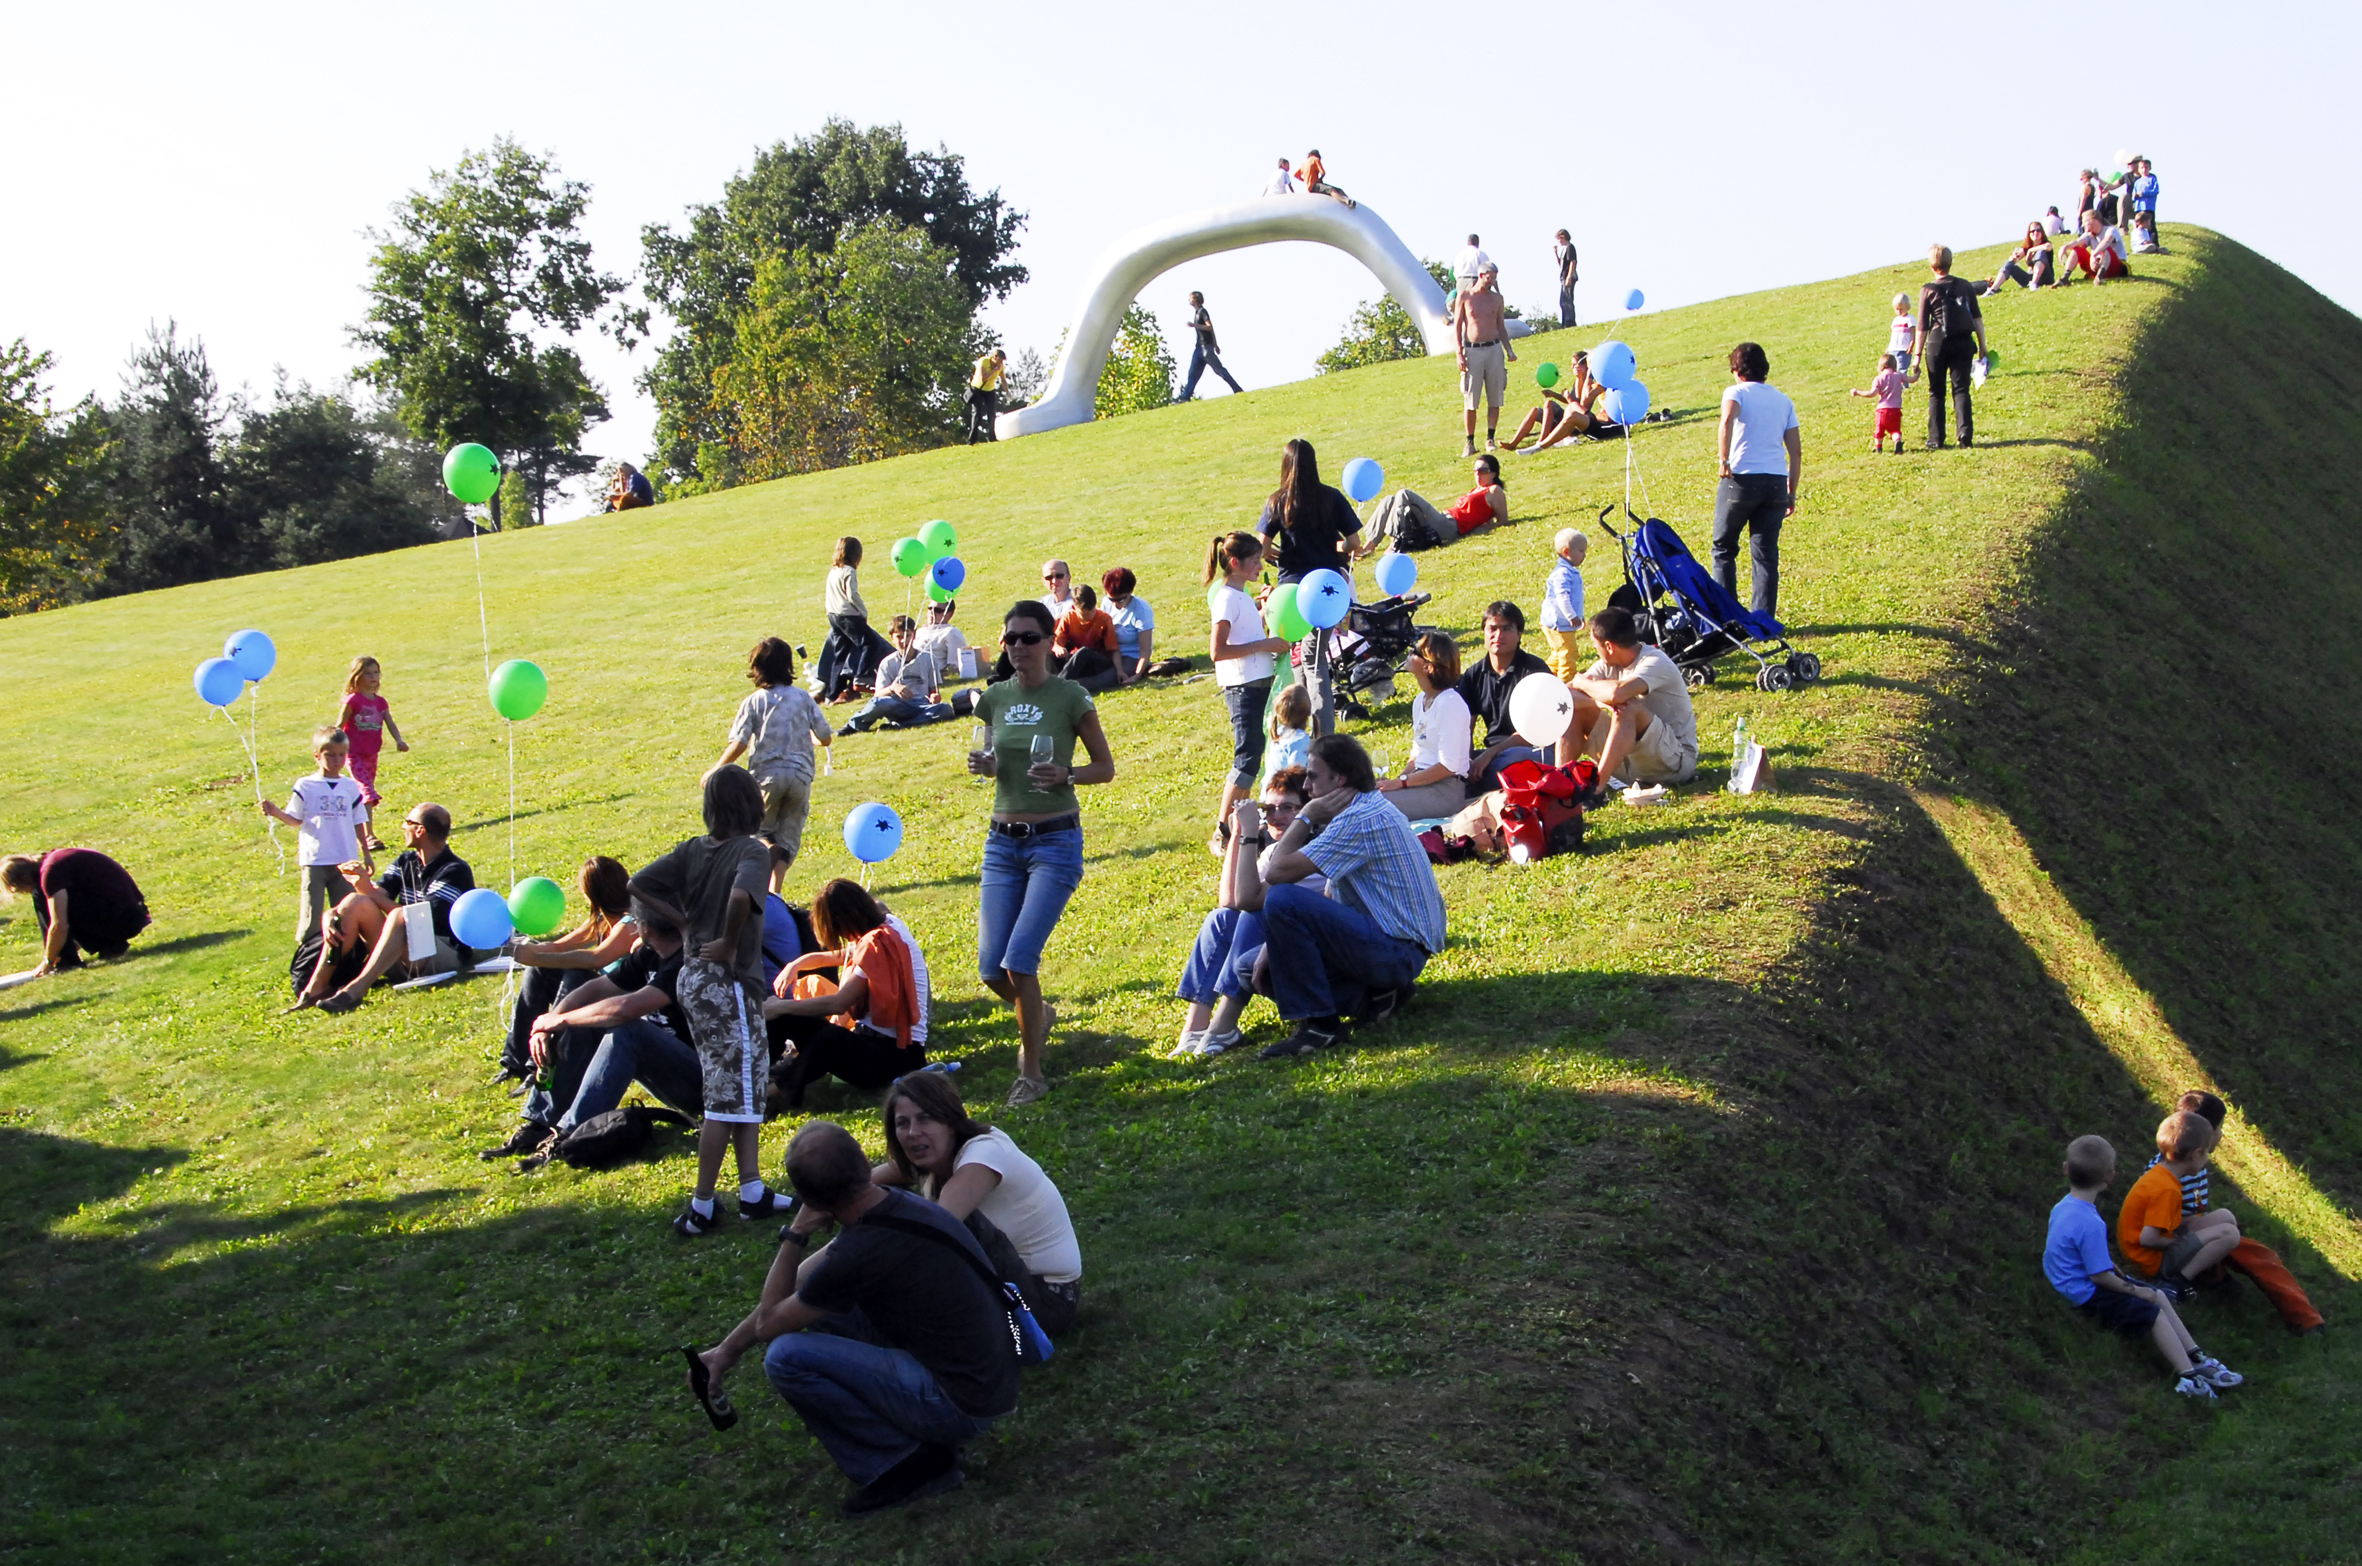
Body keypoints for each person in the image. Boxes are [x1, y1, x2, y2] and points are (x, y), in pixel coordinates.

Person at [694, 1122, 1022, 1515]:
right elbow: (800, 1296)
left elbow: (769, 1323)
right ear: (865, 1164)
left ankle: (904, 1463)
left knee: (786, 1356)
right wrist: (726, 1351)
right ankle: (912, 1444)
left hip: (960, 1405)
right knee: (820, 1316)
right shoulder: (897, 1205)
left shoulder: (860, 1250)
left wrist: (796, 1233)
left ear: (809, 1198)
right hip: (989, 1378)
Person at [969, 601, 1117, 1106]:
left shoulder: (1070, 696)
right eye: (1010, 639)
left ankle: (1030, 1073)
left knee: (1019, 961)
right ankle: (1038, 1013)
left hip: (1055, 843)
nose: (1017, 648)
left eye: (1028, 638)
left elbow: (1105, 767)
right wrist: (987, 764)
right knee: (992, 969)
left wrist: (1067, 775)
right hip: (1001, 845)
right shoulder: (993, 699)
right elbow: (993, 758)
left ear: (1047, 640)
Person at [630, 767, 787, 1235]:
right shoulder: (751, 853)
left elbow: (638, 885)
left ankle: (753, 1189)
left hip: (694, 978)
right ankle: (702, 1205)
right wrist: (728, 940)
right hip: (727, 981)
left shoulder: (693, 850)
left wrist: (682, 925)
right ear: (751, 805)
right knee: (725, 1096)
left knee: (744, 1085)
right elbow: (742, 895)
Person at [1255, 734, 1447, 1057]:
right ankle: (1374, 997)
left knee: (1282, 900)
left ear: (1340, 779)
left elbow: (1276, 875)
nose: (1306, 788)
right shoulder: (1369, 808)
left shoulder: (1357, 820)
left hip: (1398, 951)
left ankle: (1321, 1027)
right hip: (1399, 947)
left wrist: (1306, 816)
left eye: (1313, 777)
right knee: (1255, 967)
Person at [482, 904, 706, 1164]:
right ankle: (539, 1125)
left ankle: (566, 1136)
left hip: (704, 1081)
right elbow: (597, 987)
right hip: (670, 1068)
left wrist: (561, 1019)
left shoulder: (689, 961)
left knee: (627, 1031)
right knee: (586, 1019)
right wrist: (550, 1022)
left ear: (645, 927)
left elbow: (626, 1008)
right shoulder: (652, 953)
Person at [874, 1072, 1084, 1335]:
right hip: (1006, 1291)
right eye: (902, 1124)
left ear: (950, 1121)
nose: (913, 1133)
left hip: (1044, 1303)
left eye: (925, 1118)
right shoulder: (932, 1157)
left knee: (943, 1227)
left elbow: (929, 1235)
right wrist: (824, 1201)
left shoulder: (983, 1155)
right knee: (882, 1210)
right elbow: (856, 1190)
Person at [2043, 1134, 2242, 1401]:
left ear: (2066, 1169)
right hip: (2083, 1293)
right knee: (2153, 1311)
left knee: (2158, 1294)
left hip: (2071, 1279)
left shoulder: (2063, 1207)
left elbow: (2079, 1254)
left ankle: (2197, 1356)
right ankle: (2189, 1377)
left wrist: (2123, 1275)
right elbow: (2100, 1276)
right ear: (2110, 1176)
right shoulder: (2091, 1224)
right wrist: (2136, 1291)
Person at [1173, 766, 1321, 1058]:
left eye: (1288, 807)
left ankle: (1224, 1022)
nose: (1276, 816)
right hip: (1273, 945)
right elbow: (1227, 900)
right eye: (1269, 808)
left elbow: (1248, 901)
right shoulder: (1272, 853)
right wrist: (1240, 833)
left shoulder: (1314, 851)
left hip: (1307, 949)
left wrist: (1250, 836)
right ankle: (1194, 1029)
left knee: (1253, 914)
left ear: (1308, 811)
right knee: (1220, 920)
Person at [2160, 1091, 2324, 1333]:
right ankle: (2306, 1320)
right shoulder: (2174, 1171)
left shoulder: (2184, 1161)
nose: (2222, 1135)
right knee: (2252, 1252)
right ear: (2204, 1134)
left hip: (2188, 1234)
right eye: (2220, 1128)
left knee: (2227, 1221)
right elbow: (2168, 1221)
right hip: (2173, 1242)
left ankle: (2214, 1277)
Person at [293, 802, 475, 1013]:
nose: (403, 827)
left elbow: (422, 920)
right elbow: (375, 898)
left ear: (420, 830)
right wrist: (332, 913)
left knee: (401, 914)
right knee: (355, 902)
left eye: (408, 822)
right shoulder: (406, 861)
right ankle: (315, 989)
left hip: (441, 955)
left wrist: (367, 890)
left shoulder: (454, 870)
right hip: (405, 953)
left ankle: (356, 990)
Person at [765, 878, 929, 1107]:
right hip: (873, 1042)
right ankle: (757, 1074)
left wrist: (781, 1005)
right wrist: (797, 965)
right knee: (789, 1019)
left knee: (828, 1039)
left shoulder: (877, 944)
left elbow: (839, 1004)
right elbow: (841, 956)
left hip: (897, 1058)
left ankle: (774, 1092)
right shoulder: (885, 925)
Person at [496, 855, 637, 1088]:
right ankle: (516, 1059)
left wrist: (539, 956)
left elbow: (597, 958)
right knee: (540, 971)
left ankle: (545, 1061)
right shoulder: (601, 918)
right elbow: (561, 946)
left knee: (576, 976)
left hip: (619, 995)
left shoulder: (629, 923)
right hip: (599, 989)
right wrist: (532, 951)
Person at [718, 637, 833, 892]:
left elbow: (740, 741)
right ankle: (775, 893)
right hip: (800, 778)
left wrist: (717, 768)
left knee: (756, 831)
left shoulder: (754, 701)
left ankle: (767, 851)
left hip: (766, 777)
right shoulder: (802, 698)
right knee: (788, 839)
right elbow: (825, 736)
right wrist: (811, 739)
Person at [1204, 531, 1288, 834]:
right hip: (1243, 688)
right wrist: (1262, 646)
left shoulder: (1239, 596)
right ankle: (1222, 827)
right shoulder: (1226, 598)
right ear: (1236, 563)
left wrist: (1263, 610)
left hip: (1256, 684)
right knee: (1247, 757)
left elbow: (1246, 631)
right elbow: (1218, 651)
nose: (1259, 565)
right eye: (1254, 561)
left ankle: (1238, 820)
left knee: (1252, 755)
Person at [1565, 607, 1700, 793]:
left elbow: (1617, 694)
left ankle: (1596, 789)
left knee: (1628, 707)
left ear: (1609, 646)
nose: (1595, 650)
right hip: (1632, 764)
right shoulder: (1607, 665)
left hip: (1675, 763)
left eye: (1596, 645)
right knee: (1574, 709)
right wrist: (1596, 702)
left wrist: (1582, 681)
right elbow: (1565, 694)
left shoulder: (1655, 661)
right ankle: (1559, 784)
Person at [1715, 340, 1803, 616]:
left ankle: (1728, 617)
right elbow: (1796, 452)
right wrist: (1791, 491)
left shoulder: (1736, 392)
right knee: (1765, 555)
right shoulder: (1783, 400)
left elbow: (1727, 419)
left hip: (1741, 478)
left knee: (1724, 547)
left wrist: (1724, 459)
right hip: (1776, 481)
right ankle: (1763, 618)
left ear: (1737, 370)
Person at [2118, 1111, 2245, 1299]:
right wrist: (2183, 1242)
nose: (2208, 1159)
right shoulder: (2167, 1190)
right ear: (2197, 1154)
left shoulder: (2161, 1175)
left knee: (2224, 1217)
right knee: (2230, 1234)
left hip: (2144, 1248)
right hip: (2148, 1261)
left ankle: (2202, 1270)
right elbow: (2148, 1239)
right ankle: (2177, 1283)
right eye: (2207, 1153)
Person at [261, 726, 368, 941]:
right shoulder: (306, 785)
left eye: (341, 755)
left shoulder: (349, 787)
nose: (337, 760)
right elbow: (295, 819)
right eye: (330, 755)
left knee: (344, 913)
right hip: (315, 859)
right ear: (317, 756)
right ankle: (308, 954)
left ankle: (346, 958)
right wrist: (275, 812)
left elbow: (358, 821)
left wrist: (366, 852)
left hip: (344, 858)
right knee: (311, 915)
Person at [1, 847, 150, 976]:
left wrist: (49, 960)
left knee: (41, 895)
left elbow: (59, 924)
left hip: (126, 918)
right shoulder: (53, 861)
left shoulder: (51, 874)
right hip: (132, 913)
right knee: (49, 898)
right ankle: (109, 946)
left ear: (24, 878)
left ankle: (67, 962)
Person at [1457, 600, 1553, 792]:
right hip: (1492, 754)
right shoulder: (1473, 675)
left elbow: (1533, 733)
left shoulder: (1535, 671)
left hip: (1532, 750)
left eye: (1507, 629)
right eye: (1492, 628)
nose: (1498, 635)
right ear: (1483, 632)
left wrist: (1489, 755)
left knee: (1503, 765)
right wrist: (1463, 764)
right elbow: (1464, 727)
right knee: (1449, 767)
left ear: (1519, 634)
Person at [1375, 633, 1472, 819]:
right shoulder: (1420, 699)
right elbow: (1417, 751)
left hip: (1445, 790)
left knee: (1373, 809)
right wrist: (1397, 780)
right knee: (1363, 799)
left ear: (1428, 666)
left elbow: (1447, 766)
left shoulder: (1450, 703)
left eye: (1415, 652)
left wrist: (1401, 783)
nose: (1409, 653)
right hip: (1420, 782)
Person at [1910, 249, 1989, 452]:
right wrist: (1982, 346)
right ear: (1950, 262)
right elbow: (1977, 318)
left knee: (1936, 392)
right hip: (1963, 342)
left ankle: (1936, 438)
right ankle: (1964, 435)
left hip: (1937, 344)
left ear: (1931, 265)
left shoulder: (1927, 290)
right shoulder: (1965, 286)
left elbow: (1922, 327)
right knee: (1961, 389)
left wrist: (1916, 356)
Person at [1255, 438, 1364, 585]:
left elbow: (1262, 547)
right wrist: (1340, 547)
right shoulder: (1332, 496)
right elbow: (1354, 542)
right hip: (1328, 580)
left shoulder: (1277, 501)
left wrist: (1269, 553)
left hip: (1291, 582)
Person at [335, 656, 406, 851]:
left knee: (363, 794)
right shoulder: (353, 700)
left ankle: (351, 828)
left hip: (371, 753)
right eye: (368, 673)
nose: (373, 677)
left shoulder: (380, 702)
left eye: (376, 672)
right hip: (353, 753)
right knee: (367, 792)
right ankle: (369, 837)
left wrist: (399, 740)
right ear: (357, 676)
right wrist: (332, 744)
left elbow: (389, 722)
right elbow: (340, 725)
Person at [816, 537, 892, 702]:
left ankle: (832, 693)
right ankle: (861, 678)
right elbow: (852, 594)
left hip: (833, 614)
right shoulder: (849, 571)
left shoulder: (833, 571)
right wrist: (862, 611)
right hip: (848, 615)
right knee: (870, 643)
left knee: (840, 654)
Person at [844, 617, 952, 733]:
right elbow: (878, 694)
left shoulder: (928, 658)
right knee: (877, 703)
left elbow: (933, 689)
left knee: (946, 709)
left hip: (921, 706)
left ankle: (901, 725)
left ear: (914, 635)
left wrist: (934, 696)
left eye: (907, 636)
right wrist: (893, 688)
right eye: (899, 637)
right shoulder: (887, 663)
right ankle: (854, 725)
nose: (903, 641)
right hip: (897, 706)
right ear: (892, 638)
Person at [1505, 351, 1625, 453]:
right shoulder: (1579, 382)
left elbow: (1582, 404)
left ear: (1585, 367)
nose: (1573, 368)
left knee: (1554, 405)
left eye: (1575, 365)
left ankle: (1541, 441)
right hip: (1581, 419)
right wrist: (1555, 395)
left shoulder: (1595, 384)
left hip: (1582, 422)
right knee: (1537, 410)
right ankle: (1514, 443)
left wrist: (1587, 376)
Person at [1454, 264, 1516, 455]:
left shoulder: (1497, 299)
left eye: (1495, 277)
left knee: (1495, 396)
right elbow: (1457, 326)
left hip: (1494, 349)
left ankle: (1490, 438)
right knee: (1471, 398)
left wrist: (1509, 350)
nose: (1492, 281)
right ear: (1481, 275)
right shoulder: (1465, 296)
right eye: (1490, 277)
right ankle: (1470, 442)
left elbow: (1501, 326)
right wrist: (1459, 353)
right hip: (1473, 351)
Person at [1102, 569, 1180, 681]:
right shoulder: (1106, 603)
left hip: (1131, 658)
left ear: (1130, 592)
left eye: (1120, 599)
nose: (1115, 603)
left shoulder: (1141, 610)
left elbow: (1145, 650)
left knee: (1105, 678)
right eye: (1112, 599)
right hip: (1110, 653)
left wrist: (1137, 675)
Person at [1178, 291, 1245, 402]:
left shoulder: (1202, 312)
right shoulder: (1196, 312)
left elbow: (1209, 327)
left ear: (1195, 299)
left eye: (1190, 298)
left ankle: (1237, 389)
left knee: (1219, 370)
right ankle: (1186, 396)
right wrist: (1216, 344)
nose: (1189, 300)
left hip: (1206, 348)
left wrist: (1194, 326)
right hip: (1199, 348)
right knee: (1193, 374)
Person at [1539, 530, 1589, 680]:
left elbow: (1575, 599)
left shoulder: (1569, 571)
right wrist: (1571, 616)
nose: (1584, 555)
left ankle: (1543, 676)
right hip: (1559, 624)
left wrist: (1580, 615)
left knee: (1558, 653)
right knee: (1568, 653)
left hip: (1561, 623)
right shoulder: (1562, 574)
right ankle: (1566, 685)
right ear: (1566, 552)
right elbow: (1562, 597)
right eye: (1581, 551)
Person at [1051, 585, 1120, 687]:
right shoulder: (1068, 618)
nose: (1089, 617)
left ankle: (1058, 685)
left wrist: (1120, 671)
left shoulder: (1104, 619)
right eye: (1084, 615)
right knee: (1051, 655)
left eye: (1092, 612)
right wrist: (1058, 648)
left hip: (1097, 661)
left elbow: (1113, 649)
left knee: (1084, 652)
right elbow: (1057, 642)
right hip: (1077, 661)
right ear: (1074, 608)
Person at [1850, 353, 1908, 454]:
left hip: (1882, 410)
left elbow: (1872, 393)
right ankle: (1898, 442)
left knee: (1879, 430)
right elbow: (1912, 379)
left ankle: (1878, 447)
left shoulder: (1879, 378)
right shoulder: (1899, 376)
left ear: (1880, 366)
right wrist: (1917, 372)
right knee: (1895, 430)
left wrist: (1858, 392)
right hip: (1896, 410)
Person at [1443, 454, 1509, 537]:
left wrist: (1481, 529)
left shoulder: (1494, 490)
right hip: (1445, 517)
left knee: (1420, 504)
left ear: (1493, 474)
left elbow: (1503, 521)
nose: (1478, 474)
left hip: (1453, 524)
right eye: (1475, 470)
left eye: (1483, 470)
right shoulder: (1475, 490)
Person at [1262, 682, 1313, 788]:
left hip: (1270, 791)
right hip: (1284, 794)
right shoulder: (1300, 739)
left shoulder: (1279, 733)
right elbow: (1296, 773)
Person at [913, 598, 974, 685]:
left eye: (938, 610)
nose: (932, 612)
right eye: (930, 608)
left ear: (949, 614)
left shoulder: (950, 632)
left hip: (922, 669)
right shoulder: (920, 630)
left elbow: (956, 665)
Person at [2061, 209, 2130, 285]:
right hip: (2096, 265)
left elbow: (2106, 241)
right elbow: (2078, 242)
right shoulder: (2089, 234)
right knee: (2077, 249)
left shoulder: (2111, 230)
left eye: (2085, 222)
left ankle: (2099, 278)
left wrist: (2094, 255)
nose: (2083, 225)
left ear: (2094, 220)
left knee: (2105, 248)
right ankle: (2065, 278)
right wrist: (2065, 247)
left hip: (2115, 267)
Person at [1984, 223, 2056, 293]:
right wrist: (2013, 257)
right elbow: (2014, 259)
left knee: (2040, 252)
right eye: (2033, 231)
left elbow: (2048, 247)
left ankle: (2034, 283)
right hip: (2029, 278)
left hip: (2046, 279)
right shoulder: (2026, 248)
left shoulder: (2046, 244)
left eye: (2038, 230)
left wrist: (2031, 250)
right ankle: (1993, 289)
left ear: (2042, 233)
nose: (2036, 233)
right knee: (2009, 264)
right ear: (2029, 234)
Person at [965, 348, 1006, 444]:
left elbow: (1003, 379)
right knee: (977, 414)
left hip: (989, 390)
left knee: (991, 414)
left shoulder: (1001, 366)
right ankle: (972, 440)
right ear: (994, 357)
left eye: (1002, 361)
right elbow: (984, 378)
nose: (1000, 363)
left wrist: (1007, 391)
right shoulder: (984, 361)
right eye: (999, 360)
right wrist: (994, 370)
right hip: (978, 389)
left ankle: (992, 437)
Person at [2127, 157, 2162, 252]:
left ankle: (2154, 245)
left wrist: (2144, 193)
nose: (2144, 169)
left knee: (2150, 226)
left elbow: (2155, 191)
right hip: (2139, 207)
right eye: (2142, 168)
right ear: (2139, 169)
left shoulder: (2152, 179)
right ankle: (2139, 243)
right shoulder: (2137, 182)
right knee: (2138, 225)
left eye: (2146, 167)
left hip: (2148, 206)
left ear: (2150, 168)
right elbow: (2134, 194)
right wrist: (2134, 196)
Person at [1885, 293, 1917, 380]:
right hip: (1894, 348)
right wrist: (1889, 346)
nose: (1899, 311)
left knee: (1902, 369)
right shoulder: (1896, 320)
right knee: (1892, 368)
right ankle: (1894, 384)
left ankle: (1903, 385)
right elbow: (1894, 335)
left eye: (1901, 309)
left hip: (1904, 349)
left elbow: (1913, 333)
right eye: (1897, 309)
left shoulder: (1910, 319)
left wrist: (1911, 345)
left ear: (1908, 307)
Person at [1552, 229, 1578, 329]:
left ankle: (1570, 322)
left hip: (1569, 277)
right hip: (1564, 277)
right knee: (1563, 300)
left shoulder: (1570, 247)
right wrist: (1556, 254)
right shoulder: (1564, 249)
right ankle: (1566, 321)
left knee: (1567, 300)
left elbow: (1572, 262)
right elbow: (1562, 265)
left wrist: (1569, 277)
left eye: (1559, 239)